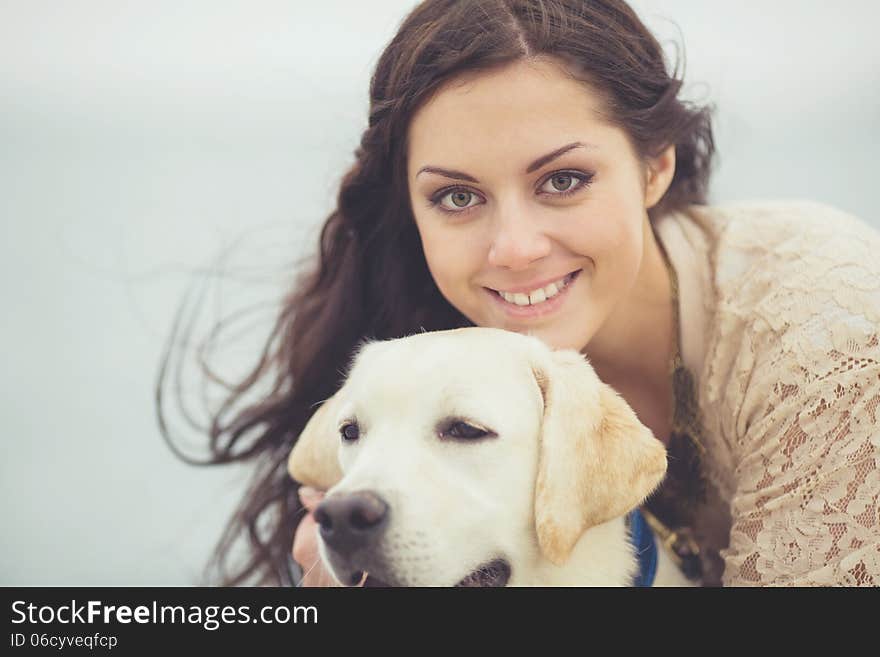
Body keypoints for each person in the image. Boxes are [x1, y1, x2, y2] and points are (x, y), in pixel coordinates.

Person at [160, 0, 880, 586]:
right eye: (457, 196)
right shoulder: (420, 354)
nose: (513, 248)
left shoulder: (828, 338)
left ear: (656, 164)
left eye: (562, 180)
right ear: (412, 209)